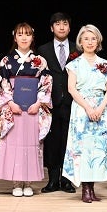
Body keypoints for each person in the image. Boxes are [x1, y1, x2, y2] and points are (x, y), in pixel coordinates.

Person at [0, 22, 52, 197]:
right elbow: (2, 83)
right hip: (14, 108)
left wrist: (39, 103)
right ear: (15, 38)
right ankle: (16, 182)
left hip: (33, 108)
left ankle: (28, 182)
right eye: (20, 34)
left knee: (31, 143)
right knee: (15, 144)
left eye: (27, 34)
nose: (24, 38)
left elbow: (46, 83)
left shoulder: (40, 61)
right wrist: (10, 102)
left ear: (32, 37)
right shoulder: (6, 61)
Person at [63, 24, 107, 203]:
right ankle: (85, 188)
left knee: (97, 149)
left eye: (93, 38)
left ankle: (92, 188)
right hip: (81, 109)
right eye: (86, 39)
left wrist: (100, 108)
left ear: (98, 41)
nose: (90, 42)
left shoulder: (104, 64)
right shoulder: (74, 64)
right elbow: (71, 88)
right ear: (80, 41)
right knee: (83, 148)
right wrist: (88, 107)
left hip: (101, 110)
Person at [37, 11, 77, 194]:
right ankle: (53, 180)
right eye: (58, 24)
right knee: (52, 143)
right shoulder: (43, 50)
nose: (62, 27)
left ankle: (67, 180)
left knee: (69, 142)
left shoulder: (77, 48)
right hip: (50, 103)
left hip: (72, 102)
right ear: (51, 28)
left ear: (69, 27)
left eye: (65, 23)